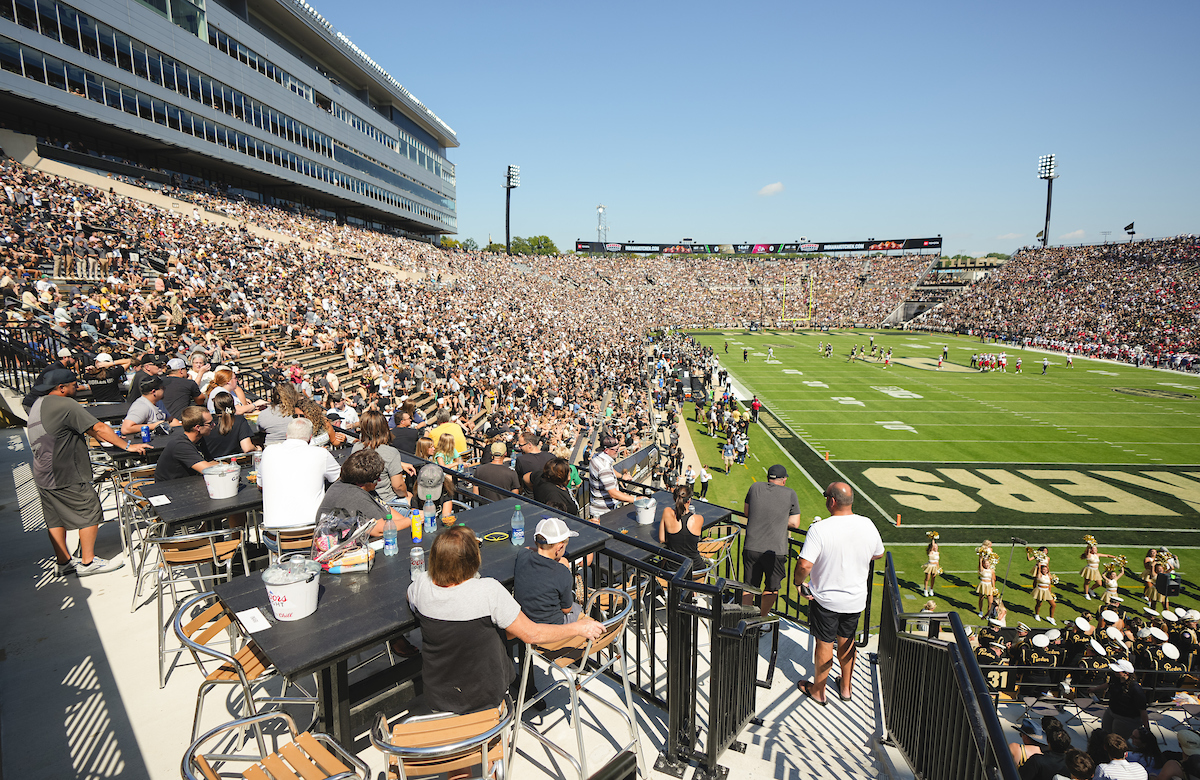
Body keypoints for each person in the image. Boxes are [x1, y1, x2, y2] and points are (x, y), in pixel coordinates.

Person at [407, 526, 603, 714]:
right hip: (486, 699)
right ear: (473, 559)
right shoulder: (489, 591)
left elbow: (411, 598)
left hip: (437, 697)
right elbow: (532, 633)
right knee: (506, 630)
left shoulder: (421, 586)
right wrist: (577, 628)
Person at [28, 368, 151, 577]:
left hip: (42, 471)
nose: (78, 387)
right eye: (74, 385)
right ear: (62, 388)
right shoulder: (65, 403)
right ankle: (88, 562)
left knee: (55, 519)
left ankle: (63, 562)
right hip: (64, 471)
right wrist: (126, 446)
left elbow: (88, 428)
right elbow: (100, 428)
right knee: (90, 510)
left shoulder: (38, 403)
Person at [794, 482, 885, 706]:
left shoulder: (820, 529)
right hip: (854, 598)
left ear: (832, 501)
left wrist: (798, 583)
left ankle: (819, 691)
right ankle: (846, 687)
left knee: (825, 643)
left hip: (826, 598)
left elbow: (805, 564)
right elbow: (878, 554)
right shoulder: (867, 524)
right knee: (847, 641)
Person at [259, 417, 341, 529]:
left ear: (287, 435)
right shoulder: (321, 453)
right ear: (310, 438)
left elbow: (260, 485)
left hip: (276, 535)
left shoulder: (268, 452)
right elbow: (339, 478)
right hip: (314, 532)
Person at [742, 464, 802, 617]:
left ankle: (746, 619)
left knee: (749, 587)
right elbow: (795, 523)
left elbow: (747, 512)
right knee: (771, 588)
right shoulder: (790, 493)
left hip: (752, 545)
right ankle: (761, 619)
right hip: (775, 550)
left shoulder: (755, 487)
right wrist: (780, 519)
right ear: (784, 480)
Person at [513, 518, 581, 625]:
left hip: (527, 622)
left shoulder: (523, 556)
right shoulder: (562, 572)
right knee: (577, 609)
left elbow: (527, 548)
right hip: (553, 627)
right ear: (559, 548)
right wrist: (562, 564)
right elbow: (566, 609)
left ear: (536, 542)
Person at [350, 410, 413, 506]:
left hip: (364, 499)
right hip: (387, 501)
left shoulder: (356, 448)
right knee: (411, 497)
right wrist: (406, 494)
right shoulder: (391, 452)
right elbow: (398, 486)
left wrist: (400, 464)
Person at [154, 406, 220, 482]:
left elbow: (210, 461)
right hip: (168, 489)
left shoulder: (199, 439)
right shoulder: (181, 445)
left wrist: (224, 465)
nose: (214, 425)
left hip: (186, 484)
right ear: (197, 428)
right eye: (210, 423)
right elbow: (208, 470)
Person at [1090, 659, 1149, 739]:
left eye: (1117, 671)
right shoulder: (1115, 678)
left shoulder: (1135, 689)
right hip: (1111, 711)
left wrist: (1147, 728)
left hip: (1126, 718)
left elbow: (1142, 710)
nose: (1114, 672)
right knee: (1105, 733)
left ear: (1126, 673)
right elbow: (1108, 684)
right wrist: (1095, 689)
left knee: (1117, 739)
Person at [587, 434, 638, 518]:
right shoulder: (604, 468)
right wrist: (635, 500)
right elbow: (613, 493)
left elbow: (610, 469)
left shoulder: (597, 457)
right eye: (616, 450)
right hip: (604, 512)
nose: (618, 451)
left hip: (596, 506)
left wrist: (621, 477)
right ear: (607, 450)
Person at [659, 485, 705, 576]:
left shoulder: (667, 512)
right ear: (689, 500)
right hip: (696, 570)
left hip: (674, 571)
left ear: (674, 498)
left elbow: (662, 539)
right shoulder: (699, 519)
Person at [203, 393, 255, 458]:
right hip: (235, 462)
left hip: (211, 463)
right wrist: (256, 449)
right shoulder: (239, 420)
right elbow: (247, 448)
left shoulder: (208, 421)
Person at [160, 357, 201, 423]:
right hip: (181, 422)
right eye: (185, 369)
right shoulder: (189, 383)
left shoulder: (159, 381)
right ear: (180, 371)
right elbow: (200, 400)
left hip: (161, 421)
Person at [922, 531, 941, 597]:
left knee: (933, 578)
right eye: (935, 546)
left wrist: (938, 568)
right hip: (930, 566)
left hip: (935, 566)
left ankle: (931, 589)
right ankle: (925, 590)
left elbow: (937, 561)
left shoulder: (937, 553)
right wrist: (933, 538)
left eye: (936, 546)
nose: (936, 547)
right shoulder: (930, 552)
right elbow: (932, 545)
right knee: (927, 578)